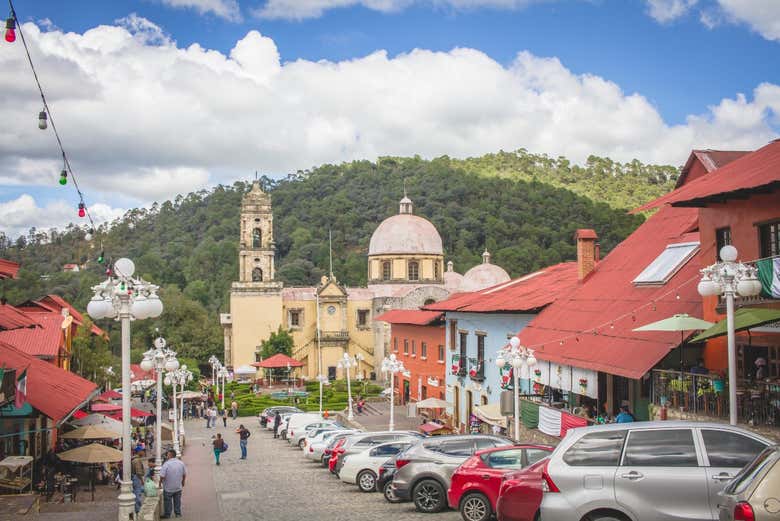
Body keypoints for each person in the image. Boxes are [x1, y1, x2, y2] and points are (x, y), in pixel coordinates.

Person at [159, 449, 186, 519]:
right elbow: (184, 474)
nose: (167, 456)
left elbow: (162, 476)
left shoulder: (166, 464)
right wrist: (183, 482)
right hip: (178, 486)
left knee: (167, 502)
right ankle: (178, 513)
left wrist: (160, 483)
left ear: (170, 455)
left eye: (167, 454)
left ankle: (167, 515)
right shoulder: (181, 463)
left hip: (168, 487)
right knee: (177, 501)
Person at [131, 447, 146, 515]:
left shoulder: (135, 459)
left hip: (135, 477)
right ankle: (138, 510)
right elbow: (138, 472)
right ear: (139, 451)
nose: (143, 452)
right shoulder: (137, 460)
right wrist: (142, 480)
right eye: (142, 451)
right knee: (137, 494)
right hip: (136, 478)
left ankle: (137, 508)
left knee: (136, 493)